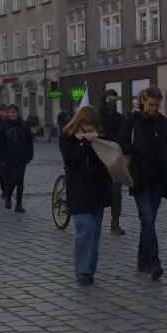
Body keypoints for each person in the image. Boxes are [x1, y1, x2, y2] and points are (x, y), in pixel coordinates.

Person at [118, 87, 167, 280]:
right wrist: (133, 148)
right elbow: (120, 143)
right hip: (140, 177)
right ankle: (154, 262)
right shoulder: (133, 120)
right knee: (147, 219)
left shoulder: (164, 123)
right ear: (143, 101)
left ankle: (142, 260)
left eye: (157, 105)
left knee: (149, 221)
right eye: (151, 104)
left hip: (158, 177)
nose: (153, 108)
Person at [61, 106, 113, 285]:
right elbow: (71, 160)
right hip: (78, 191)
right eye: (86, 124)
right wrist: (84, 143)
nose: (89, 128)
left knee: (95, 232)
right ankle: (82, 270)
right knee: (86, 228)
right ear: (79, 123)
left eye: (92, 124)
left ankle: (89, 270)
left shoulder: (102, 138)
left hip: (97, 191)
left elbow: (108, 162)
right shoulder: (68, 138)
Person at [0, 103, 35, 213]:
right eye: (10, 112)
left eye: (13, 112)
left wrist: (29, 155)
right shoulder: (4, 126)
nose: (11, 114)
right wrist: (1, 159)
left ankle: (19, 204)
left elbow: (29, 141)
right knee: (13, 179)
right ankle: (8, 196)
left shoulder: (23, 125)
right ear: (7, 113)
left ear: (17, 113)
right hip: (9, 159)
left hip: (22, 157)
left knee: (20, 182)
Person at [98, 91, 128, 235]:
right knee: (97, 190)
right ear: (104, 100)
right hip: (97, 157)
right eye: (110, 100)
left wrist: (106, 137)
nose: (112, 103)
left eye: (115, 100)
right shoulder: (96, 116)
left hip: (113, 158)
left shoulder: (120, 119)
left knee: (116, 190)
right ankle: (96, 221)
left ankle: (115, 223)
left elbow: (121, 138)